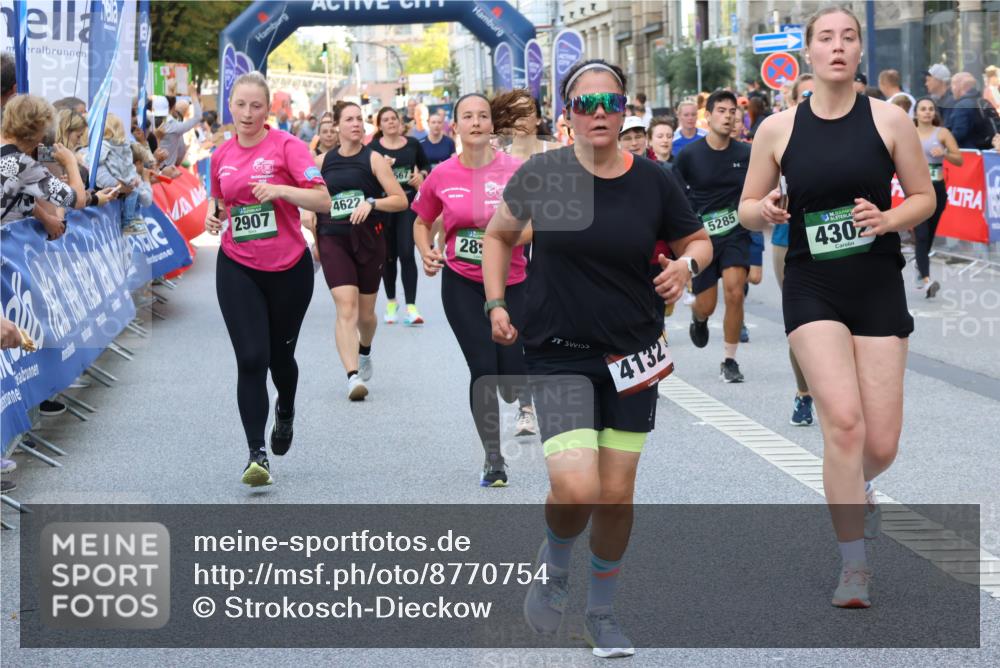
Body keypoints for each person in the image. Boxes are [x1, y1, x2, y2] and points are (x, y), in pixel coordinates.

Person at [483, 58, 711, 658]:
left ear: (626, 107)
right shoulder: (543, 174)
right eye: (586, 104)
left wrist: (686, 266)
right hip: (557, 353)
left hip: (632, 355)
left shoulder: (654, 180)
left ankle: (602, 611)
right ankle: (556, 565)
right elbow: (498, 235)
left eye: (610, 102)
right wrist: (495, 302)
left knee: (616, 494)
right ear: (568, 116)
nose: (600, 114)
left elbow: (697, 240)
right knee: (576, 485)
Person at [738, 7, 935, 608]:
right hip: (812, 285)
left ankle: (859, 484)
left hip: (877, 282)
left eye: (849, 37)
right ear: (808, 52)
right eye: (826, 38)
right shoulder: (778, 128)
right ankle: (855, 567)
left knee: (881, 444)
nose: (839, 47)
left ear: (859, 53)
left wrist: (888, 219)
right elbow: (746, 205)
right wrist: (765, 210)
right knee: (843, 423)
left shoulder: (888, 121)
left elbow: (925, 197)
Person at [205, 72, 331, 487]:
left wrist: (281, 191)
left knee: (280, 359)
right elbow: (220, 202)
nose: (246, 113)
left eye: (255, 105)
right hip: (238, 265)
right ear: (231, 106)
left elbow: (322, 200)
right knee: (250, 359)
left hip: (289, 269)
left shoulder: (287, 147)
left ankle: (287, 408)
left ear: (268, 109)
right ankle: (256, 453)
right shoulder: (220, 154)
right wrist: (214, 214)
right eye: (240, 104)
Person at [412, 93, 535, 487]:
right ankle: (494, 458)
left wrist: (500, 240)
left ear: (491, 125)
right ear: (456, 127)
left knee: (511, 379)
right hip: (462, 282)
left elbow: (536, 225)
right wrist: (426, 250)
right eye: (468, 116)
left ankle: (516, 385)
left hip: (514, 281)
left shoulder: (516, 170)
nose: (477, 122)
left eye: (483, 116)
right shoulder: (442, 174)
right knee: (481, 368)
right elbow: (421, 220)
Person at [303, 102, 408, 401]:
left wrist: (372, 203)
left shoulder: (374, 159)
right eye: (349, 119)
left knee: (366, 315)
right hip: (333, 238)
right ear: (336, 126)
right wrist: (312, 226)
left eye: (360, 119)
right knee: (345, 307)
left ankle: (365, 349)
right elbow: (310, 200)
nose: (356, 124)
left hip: (369, 240)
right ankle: (352, 377)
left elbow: (400, 200)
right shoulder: (322, 162)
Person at [675, 90, 752, 383]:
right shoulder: (689, 155)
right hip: (703, 239)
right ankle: (699, 317)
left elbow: (755, 194)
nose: (728, 116)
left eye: (732, 111)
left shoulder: (746, 154)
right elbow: (676, 198)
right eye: (722, 110)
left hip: (735, 233)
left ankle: (729, 360)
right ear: (708, 116)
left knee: (735, 291)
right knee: (706, 304)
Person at [771, 72, 818, 427]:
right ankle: (804, 394)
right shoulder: (780, 135)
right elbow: (755, 196)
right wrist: (766, 204)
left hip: (840, 242)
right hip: (790, 238)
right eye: (803, 96)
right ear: (792, 101)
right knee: (800, 323)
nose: (810, 100)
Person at [372, 106, 431, 325]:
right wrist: (381, 169)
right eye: (385, 119)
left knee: (407, 253)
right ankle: (391, 302)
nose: (390, 122)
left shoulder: (413, 144)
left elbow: (425, 165)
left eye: (393, 118)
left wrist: (421, 175)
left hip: (407, 204)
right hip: (385, 205)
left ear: (399, 122)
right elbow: (366, 176)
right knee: (388, 256)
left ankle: (412, 308)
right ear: (380, 125)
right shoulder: (374, 149)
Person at [1, 95, 87, 229]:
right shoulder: (22, 164)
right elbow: (78, 200)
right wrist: (71, 162)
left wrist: (45, 218)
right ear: (38, 130)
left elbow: (12, 195)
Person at [913, 97, 963, 298]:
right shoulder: (909, 133)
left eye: (930, 109)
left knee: (930, 234)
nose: (927, 112)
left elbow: (959, 159)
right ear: (916, 112)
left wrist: (944, 152)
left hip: (938, 190)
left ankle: (920, 265)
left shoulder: (942, 133)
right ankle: (926, 280)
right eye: (923, 109)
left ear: (934, 113)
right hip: (916, 189)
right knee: (922, 235)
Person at [94, 113, 145, 234]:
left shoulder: (105, 145)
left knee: (133, 195)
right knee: (133, 194)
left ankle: (129, 221)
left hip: (120, 179)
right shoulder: (122, 145)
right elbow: (128, 163)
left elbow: (97, 159)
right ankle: (128, 222)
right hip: (121, 179)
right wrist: (132, 177)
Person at [948, 71, 993, 149]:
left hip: (968, 153)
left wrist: (943, 140)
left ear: (960, 86)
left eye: (953, 85)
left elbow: (959, 133)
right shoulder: (983, 102)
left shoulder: (961, 106)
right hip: (986, 150)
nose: (952, 89)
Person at [159, 93, 202, 168]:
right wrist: (193, 94)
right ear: (173, 107)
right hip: (167, 170)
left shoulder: (148, 119)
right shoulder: (175, 126)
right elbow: (198, 116)